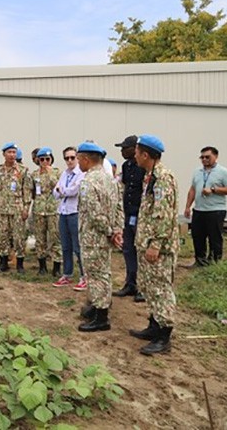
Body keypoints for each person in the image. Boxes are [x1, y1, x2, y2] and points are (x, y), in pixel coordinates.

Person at [129, 135, 180, 355]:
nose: (135, 156)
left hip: (159, 247)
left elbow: (163, 214)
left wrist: (156, 244)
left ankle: (164, 336)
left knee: (161, 289)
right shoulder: (150, 176)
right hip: (146, 241)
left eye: (137, 152)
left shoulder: (163, 178)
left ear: (146, 155)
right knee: (149, 286)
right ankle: (154, 325)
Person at [75, 142, 124, 332]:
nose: (78, 163)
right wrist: (117, 230)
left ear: (86, 159)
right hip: (105, 235)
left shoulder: (88, 182)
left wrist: (111, 232)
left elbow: (95, 215)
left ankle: (101, 317)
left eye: (79, 159)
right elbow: (119, 208)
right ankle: (98, 306)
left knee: (96, 275)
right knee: (103, 272)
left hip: (93, 237)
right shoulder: (110, 180)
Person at [183, 146, 227, 267]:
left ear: (216, 157)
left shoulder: (223, 172)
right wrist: (187, 207)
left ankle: (215, 263)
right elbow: (192, 189)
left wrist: (214, 189)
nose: (204, 159)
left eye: (207, 157)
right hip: (199, 210)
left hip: (215, 210)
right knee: (198, 236)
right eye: (202, 157)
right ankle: (200, 261)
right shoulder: (197, 172)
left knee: (215, 237)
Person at [113, 135, 146, 302]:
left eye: (124, 148)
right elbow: (126, 188)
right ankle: (130, 283)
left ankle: (143, 287)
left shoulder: (145, 168)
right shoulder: (126, 166)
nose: (121, 151)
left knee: (141, 251)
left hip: (141, 216)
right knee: (128, 249)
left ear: (134, 149)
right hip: (129, 213)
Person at [0, 142, 32, 273]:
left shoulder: (23, 170)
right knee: (3, 235)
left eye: (14, 152)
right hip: (2, 208)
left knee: (19, 236)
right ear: (4, 154)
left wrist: (26, 208)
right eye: (9, 152)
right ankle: (3, 262)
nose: (12, 155)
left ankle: (20, 264)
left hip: (17, 208)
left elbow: (27, 191)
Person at [52, 147, 86, 289]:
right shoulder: (64, 174)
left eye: (72, 157)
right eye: (67, 158)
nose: (70, 160)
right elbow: (55, 192)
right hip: (63, 212)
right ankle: (67, 274)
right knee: (65, 245)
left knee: (77, 246)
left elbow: (74, 191)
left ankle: (84, 276)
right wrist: (61, 191)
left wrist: (62, 191)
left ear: (77, 158)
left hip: (74, 212)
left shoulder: (81, 173)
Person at [32, 147, 61, 275]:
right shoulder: (34, 174)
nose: (45, 162)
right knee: (40, 239)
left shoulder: (57, 172)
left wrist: (50, 174)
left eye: (47, 159)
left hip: (53, 210)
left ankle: (56, 267)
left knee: (56, 239)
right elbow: (31, 191)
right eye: (42, 159)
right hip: (39, 210)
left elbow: (60, 188)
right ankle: (42, 266)